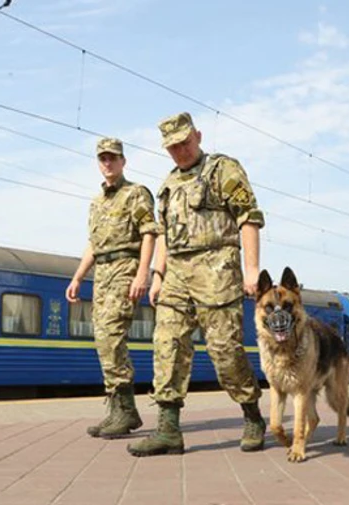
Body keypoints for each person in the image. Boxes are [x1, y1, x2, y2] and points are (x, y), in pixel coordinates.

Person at [127, 112, 266, 457]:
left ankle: (252, 415)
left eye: (184, 143)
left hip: (217, 269)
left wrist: (251, 269)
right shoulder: (168, 184)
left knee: (224, 351)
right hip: (176, 275)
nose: (180, 151)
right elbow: (164, 235)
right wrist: (158, 275)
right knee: (167, 345)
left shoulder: (223, 169)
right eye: (172, 147)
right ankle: (168, 430)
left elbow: (248, 217)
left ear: (198, 136)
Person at [66, 137, 158, 438]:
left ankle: (127, 411)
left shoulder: (136, 193)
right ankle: (118, 409)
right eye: (102, 158)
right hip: (102, 274)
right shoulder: (97, 203)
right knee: (103, 339)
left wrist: (142, 273)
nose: (107, 163)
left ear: (123, 161)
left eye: (112, 158)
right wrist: (78, 277)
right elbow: (94, 245)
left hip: (124, 269)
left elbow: (149, 233)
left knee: (111, 335)